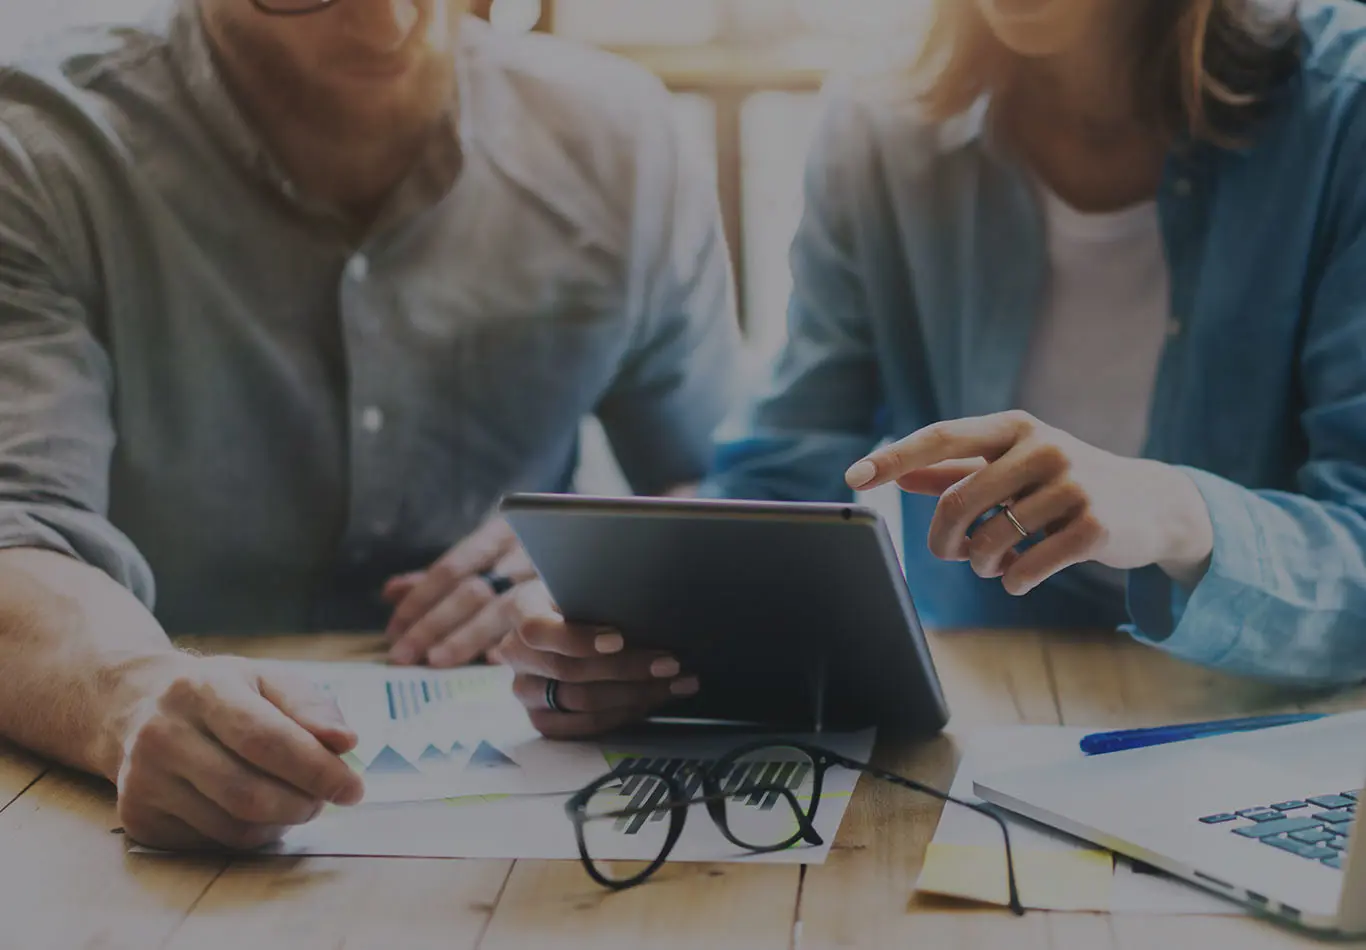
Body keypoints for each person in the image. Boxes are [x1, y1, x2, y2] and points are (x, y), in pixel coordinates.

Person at [502, 0, 1366, 738]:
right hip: (988, 727)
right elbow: (785, 477)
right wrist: (624, 629)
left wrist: (1174, 514)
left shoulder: (1344, 112)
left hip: (1273, 731)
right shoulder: (879, 129)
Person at [0, 0, 736, 848]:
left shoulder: (616, 139)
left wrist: (596, 569)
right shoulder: (40, 145)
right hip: (140, 814)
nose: (389, 24)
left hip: (543, 822)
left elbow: (724, 486)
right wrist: (128, 692)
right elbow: (18, 527)